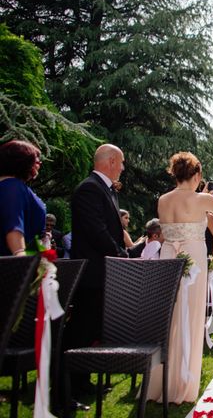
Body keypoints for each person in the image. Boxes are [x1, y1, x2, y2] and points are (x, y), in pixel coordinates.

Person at [147, 151, 213, 404]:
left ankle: (161, 380)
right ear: (196, 175)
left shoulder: (163, 200)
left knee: (168, 317)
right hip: (193, 258)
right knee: (191, 315)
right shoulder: (200, 199)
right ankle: (183, 383)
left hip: (169, 257)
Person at [66, 143, 128, 404]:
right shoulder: (89, 188)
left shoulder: (105, 189)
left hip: (102, 272)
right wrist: (119, 255)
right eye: (121, 162)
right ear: (111, 161)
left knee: (91, 328)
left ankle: (83, 383)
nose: (123, 168)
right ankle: (66, 388)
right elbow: (97, 231)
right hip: (92, 272)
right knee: (79, 330)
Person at [0, 140, 46, 256]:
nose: (39, 164)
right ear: (24, 163)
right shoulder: (12, 186)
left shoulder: (10, 186)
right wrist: (20, 254)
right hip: (12, 266)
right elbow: (13, 223)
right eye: (36, 161)